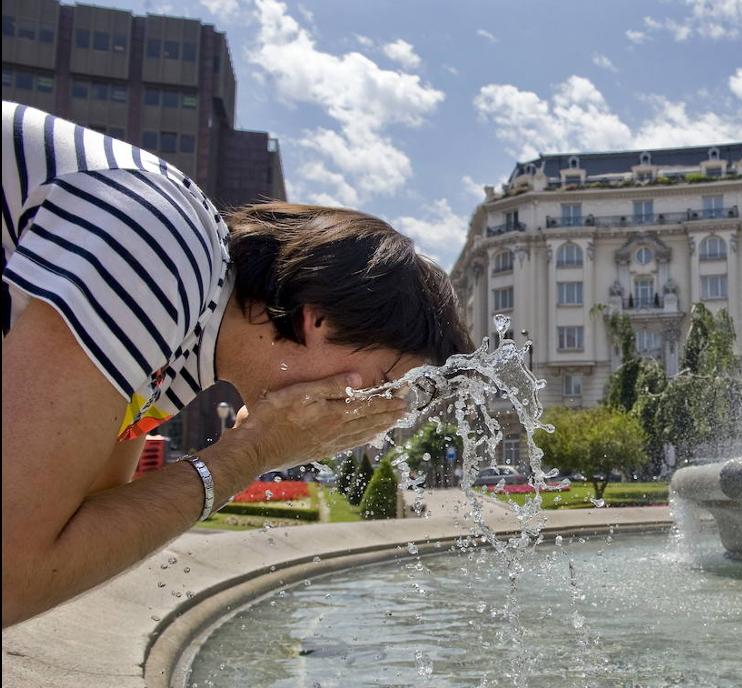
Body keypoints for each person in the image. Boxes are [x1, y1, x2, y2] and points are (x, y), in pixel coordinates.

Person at [2, 102, 471, 627]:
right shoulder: (166, 248)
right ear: (320, 320)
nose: (374, 414)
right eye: (384, 383)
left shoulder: (179, 362)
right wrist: (251, 452)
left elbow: (83, 522)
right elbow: (14, 573)